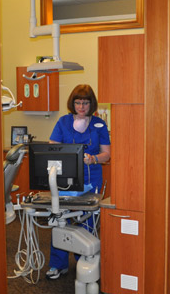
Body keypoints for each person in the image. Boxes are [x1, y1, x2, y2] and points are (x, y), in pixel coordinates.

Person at [46, 84, 111, 280]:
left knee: (87, 221)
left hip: (91, 178)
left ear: (91, 104)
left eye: (85, 102)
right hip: (67, 180)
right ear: (72, 103)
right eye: (77, 102)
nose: (81, 106)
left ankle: (86, 260)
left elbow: (107, 154)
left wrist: (93, 159)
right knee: (61, 219)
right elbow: (52, 148)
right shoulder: (63, 122)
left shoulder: (99, 124)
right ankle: (58, 265)